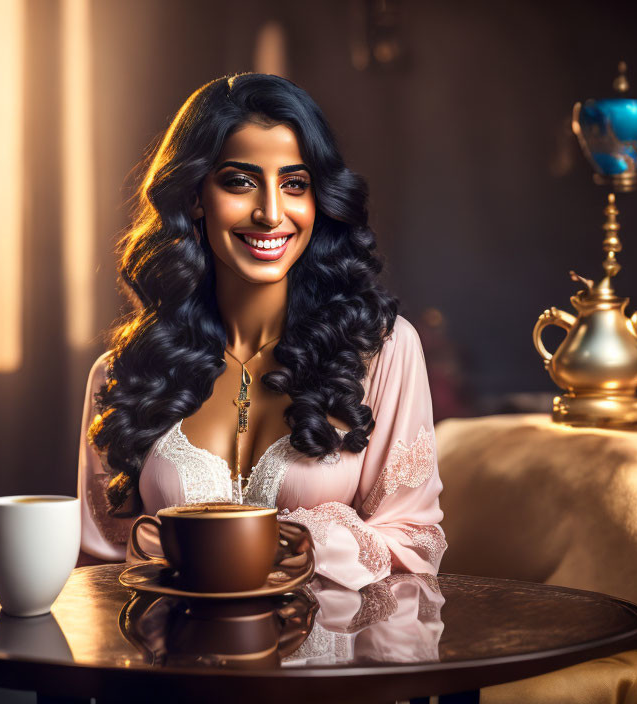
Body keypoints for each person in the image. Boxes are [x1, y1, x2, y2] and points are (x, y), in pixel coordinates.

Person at [78, 73, 446, 590]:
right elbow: (100, 569)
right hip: (174, 659)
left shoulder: (381, 350)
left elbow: (413, 542)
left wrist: (298, 542)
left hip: (334, 660)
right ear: (194, 197)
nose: (272, 213)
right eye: (240, 181)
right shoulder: (125, 373)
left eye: (295, 184)